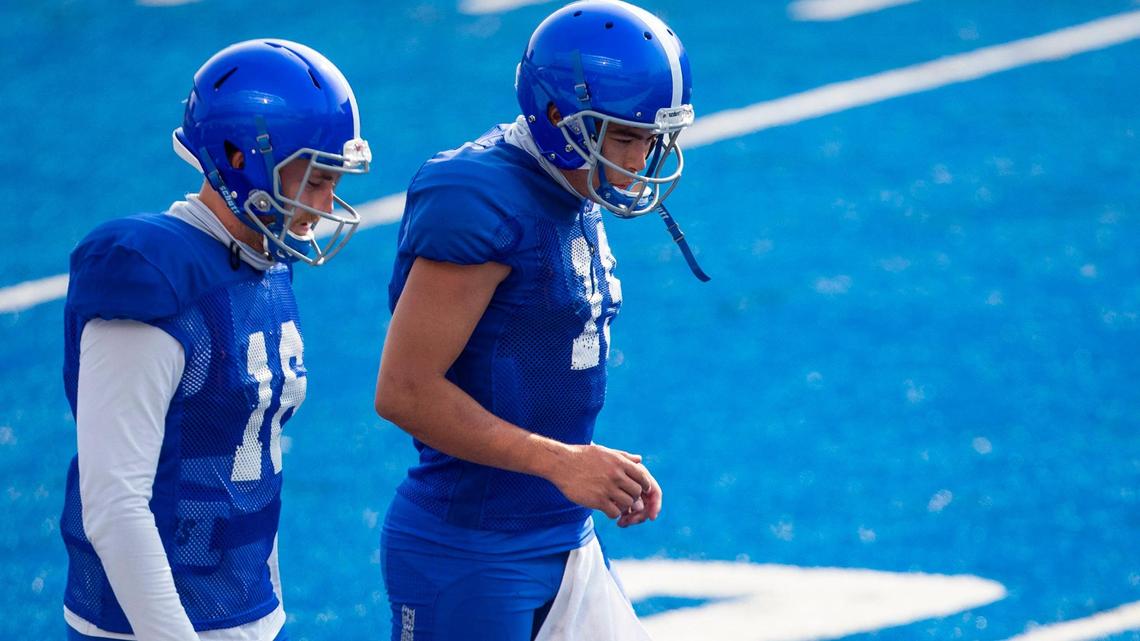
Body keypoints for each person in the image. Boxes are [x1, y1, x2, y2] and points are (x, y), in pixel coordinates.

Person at [374, 2, 698, 639]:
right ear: (556, 117)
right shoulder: (479, 199)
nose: (640, 161)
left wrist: (590, 466)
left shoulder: (570, 182)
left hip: (565, 537)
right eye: (624, 137)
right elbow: (405, 391)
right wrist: (562, 462)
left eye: (650, 139)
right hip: (471, 550)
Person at [59, 39, 371, 641]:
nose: (326, 203)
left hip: (244, 607)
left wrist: (267, 610)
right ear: (238, 156)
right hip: (145, 623)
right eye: (314, 179)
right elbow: (115, 503)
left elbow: (255, 468)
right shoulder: (152, 275)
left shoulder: (263, 266)